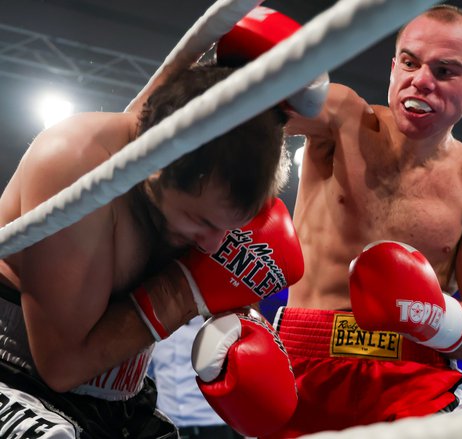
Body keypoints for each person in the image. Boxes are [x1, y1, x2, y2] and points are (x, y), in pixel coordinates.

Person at [0, 58, 306, 438]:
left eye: (228, 228)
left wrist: (245, 321)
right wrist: (184, 290)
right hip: (18, 380)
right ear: (157, 167)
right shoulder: (79, 170)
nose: (213, 244)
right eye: (203, 223)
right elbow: (60, 367)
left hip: (123, 398)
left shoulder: (200, 194)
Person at [269, 4, 462, 437]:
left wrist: (435, 315)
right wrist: (242, 65)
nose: (421, 79)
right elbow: (251, 112)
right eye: (410, 62)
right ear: (392, 68)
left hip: (414, 375)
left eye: (444, 70)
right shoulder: (342, 119)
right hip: (303, 359)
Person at [148, 315, 243, 439]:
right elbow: (149, 376)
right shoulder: (153, 333)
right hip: (168, 426)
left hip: (213, 424)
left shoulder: (219, 327)